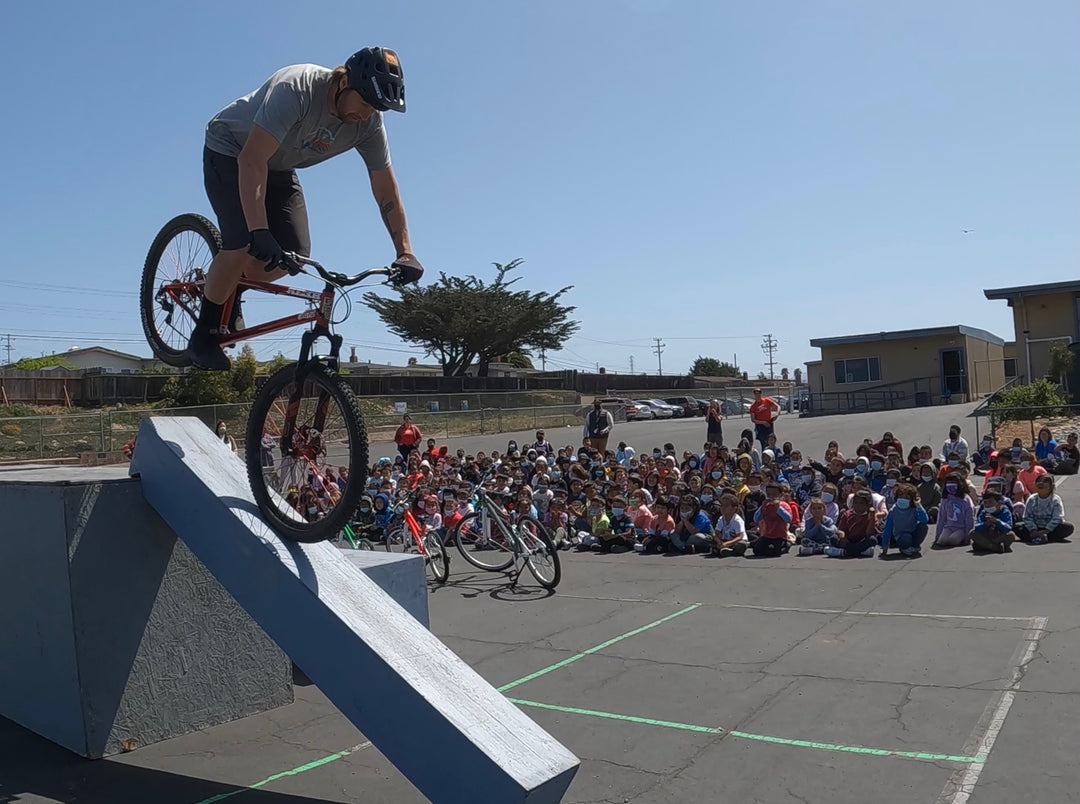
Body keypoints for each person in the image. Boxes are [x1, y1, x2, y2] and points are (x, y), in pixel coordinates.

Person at [187, 47, 424, 370]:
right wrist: (258, 230)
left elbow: (385, 187)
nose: (368, 114)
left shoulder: (369, 125)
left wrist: (405, 251)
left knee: (292, 255)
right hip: (232, 149)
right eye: (366, 103)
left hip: (280, 167)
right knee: (242, 243)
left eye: (377, 108)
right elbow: (252, 160)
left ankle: (232, 288)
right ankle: (203, 334)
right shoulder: (297, 89)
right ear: (344, 84)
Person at [1016, 474, 1075, 544]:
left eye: (1045, 481)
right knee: (1016, 526)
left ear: (1051, 486)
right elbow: (1027, 517)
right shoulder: (1032, 499)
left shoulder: (1055, 499)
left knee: (1068, 527)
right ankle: (1039, 536)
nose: (1041, 483)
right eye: (1039, 481)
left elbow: (1057, 518)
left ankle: (1043, 536)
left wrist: (1046, 530)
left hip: (1050, 529)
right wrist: (1033, 529)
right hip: (1035, 527)